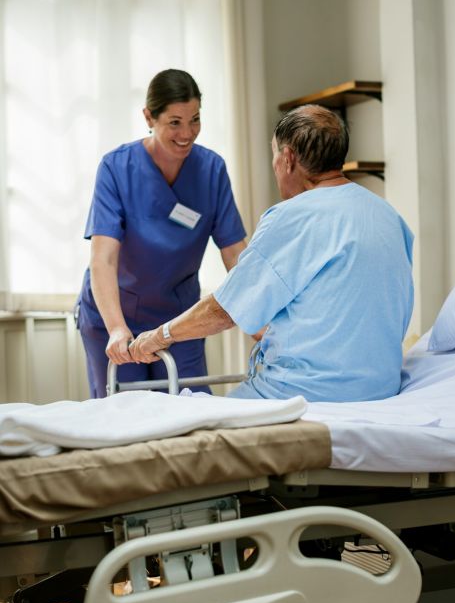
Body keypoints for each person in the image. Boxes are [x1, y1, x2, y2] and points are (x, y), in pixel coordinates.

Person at [129, 104, 414, 403]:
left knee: (189, 420)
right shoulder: (389, 217)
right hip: (380, 392)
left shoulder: (292, 216)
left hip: (301, 392)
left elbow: (224, 309)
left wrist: (159, 336)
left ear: (287, 158)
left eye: (275, 156)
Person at [76, 68, 247, 398]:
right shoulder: (116, 168)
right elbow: (103, 259)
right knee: (125, 413)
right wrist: (116, 328)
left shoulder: (211, 170)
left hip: (178, 318)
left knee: (191, 406)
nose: (187, 133)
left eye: (195, 120)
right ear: (149, 117)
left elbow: (234, 252)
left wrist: (259, 316)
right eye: (175, 122)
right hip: (117, 314)